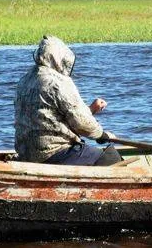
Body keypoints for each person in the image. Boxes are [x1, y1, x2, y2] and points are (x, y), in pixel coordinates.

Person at [14, 35, 122, 166]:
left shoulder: (24, 81)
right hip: (54, 152)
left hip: (26, 153)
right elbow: (81, 122)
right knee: (112, 158)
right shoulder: (58, 82)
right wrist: (102, 135)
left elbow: (49, 116)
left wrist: (91, 109)